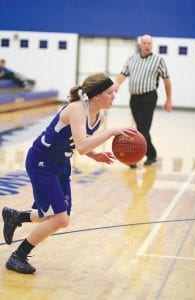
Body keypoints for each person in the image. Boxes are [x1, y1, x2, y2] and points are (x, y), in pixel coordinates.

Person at [2, 72, 136, 274]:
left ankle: (16, 216)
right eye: (110, 93)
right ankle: (17, 256)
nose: (114, 96)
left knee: (50, 217)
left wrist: (95, 156)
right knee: (60, 219)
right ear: (97, 95)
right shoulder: (77, 109)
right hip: (41, 161)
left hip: (61, 163)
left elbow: (79, 142)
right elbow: (82, 145)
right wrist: (110, 133)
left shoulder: (98, 116)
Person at [115, 34, 172, 167]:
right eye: (144, 43)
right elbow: (123, 74)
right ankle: (151, 154)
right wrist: (116, 85)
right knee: (142, 129)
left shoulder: (158, 60)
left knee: (141, 130)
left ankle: (134, 158)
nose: (147, 45)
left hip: (149, 97)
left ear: (152, 45)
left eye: (149, 43)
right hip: (134, 98)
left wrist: (169, 99)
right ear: (140, 45)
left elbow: (167, 80)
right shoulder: (132, 59)